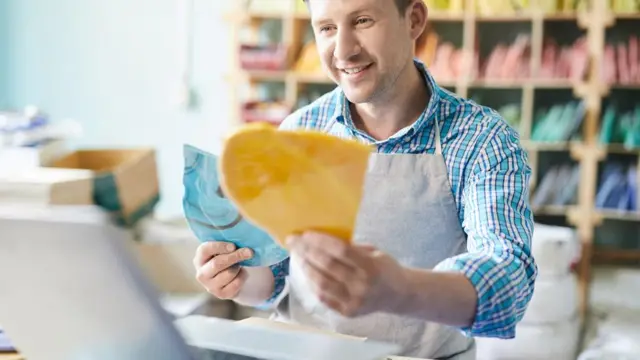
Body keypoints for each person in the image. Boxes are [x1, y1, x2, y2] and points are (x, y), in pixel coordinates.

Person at [192, 0, 538, 358]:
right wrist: (237, 278)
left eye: (362, 20)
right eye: (326, 28)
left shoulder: (481, 139)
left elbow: (508, 281)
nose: (343, 51)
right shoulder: (300, 130)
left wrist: (401, 289)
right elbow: (277, 277)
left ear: (414, 20)